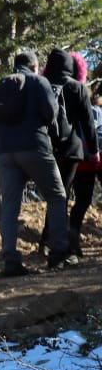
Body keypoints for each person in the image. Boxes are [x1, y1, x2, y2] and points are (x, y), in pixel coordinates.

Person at [0, 51, 71, 275]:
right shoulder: (40, 82)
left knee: (10, 205)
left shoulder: (1, 85)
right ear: (35, 66)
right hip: (35, 146)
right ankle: (58, 254)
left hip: (5, 152)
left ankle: (10, 260)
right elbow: (50, 113)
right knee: (57, 196)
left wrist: (5, 127)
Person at [43, 48, 98, 205]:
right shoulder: (78, 88)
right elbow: (88, 123)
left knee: (51, 191)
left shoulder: (40, 84)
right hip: (71, 149)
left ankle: (51, 227)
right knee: (62, 193)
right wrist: (94, 151)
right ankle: (52, 228)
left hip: (45, 146)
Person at [69, 82, 102, 256]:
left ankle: (73, 229)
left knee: (82, 200)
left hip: (82, 158)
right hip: (98, 154)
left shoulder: (79, 113)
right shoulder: (99, 112)